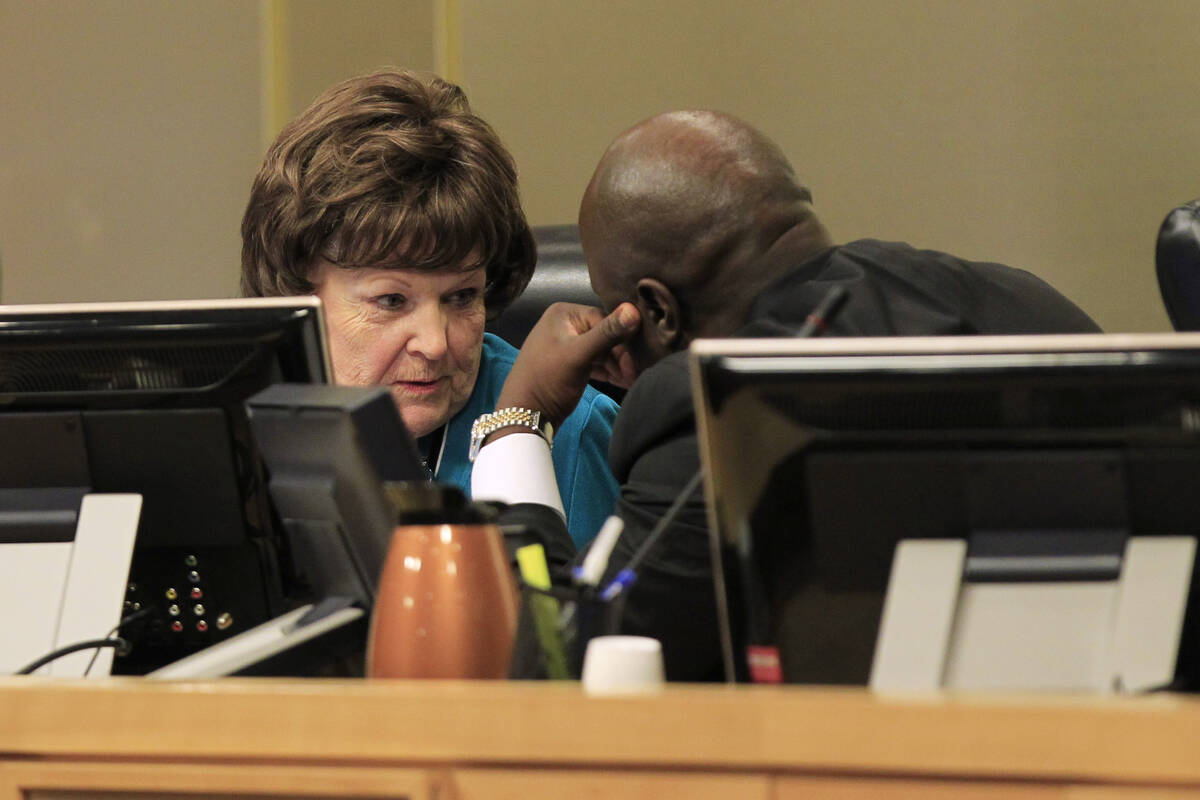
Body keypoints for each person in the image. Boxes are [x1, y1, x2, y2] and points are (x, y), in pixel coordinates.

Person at [468, 110, 1102, 680]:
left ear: (656, 310)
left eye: (615, 309)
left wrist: (518, 420)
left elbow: (560, 665)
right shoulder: (1018, 301)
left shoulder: (724, 413)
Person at [240, 68, 619, 547]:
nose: (437, 344)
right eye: (392, 301)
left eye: (462, 297)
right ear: (300, 294)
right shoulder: (235, 423)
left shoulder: (571, 431)